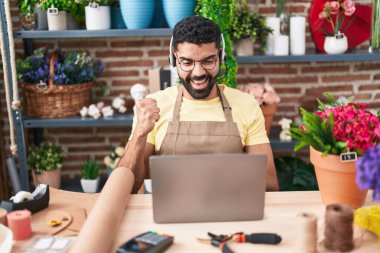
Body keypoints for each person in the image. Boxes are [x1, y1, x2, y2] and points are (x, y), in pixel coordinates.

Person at [118, 16, 279, 193]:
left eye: (208, 61)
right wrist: (139, 134)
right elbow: (125, 187)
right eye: (187, 62)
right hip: (169, 218)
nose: (198, 72)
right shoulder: (155, 106)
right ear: (174, 60)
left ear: (220, 56)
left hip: (231, 216)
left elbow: (269, 185)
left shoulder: (246, 104)